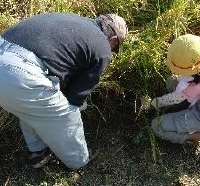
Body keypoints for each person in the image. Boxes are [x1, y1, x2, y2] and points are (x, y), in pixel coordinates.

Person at [0, 12, 128, 169]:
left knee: (31, 106)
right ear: (113, 40)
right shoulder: (102, 47)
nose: (111, 50)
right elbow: (75, 97)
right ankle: (80, 161)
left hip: (6, 55)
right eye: (115, 46)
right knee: (67, 114)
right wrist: (77, 105)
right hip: (21, 72)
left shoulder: (72, 20)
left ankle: (38, 153)